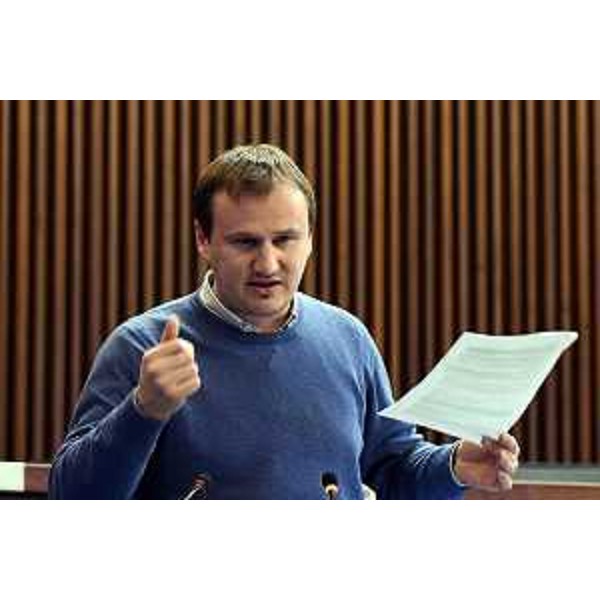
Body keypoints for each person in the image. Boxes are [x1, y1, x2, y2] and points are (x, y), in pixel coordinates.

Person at [49, 143, 520, 499]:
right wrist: (143, 410)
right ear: (203, 239)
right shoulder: (141, 346)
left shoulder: (348, 338)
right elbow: (71, 499)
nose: (268, 263)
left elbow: (393, 468)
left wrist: (454, 466)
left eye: (285, 240)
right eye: (245, 242)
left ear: (310, 238)